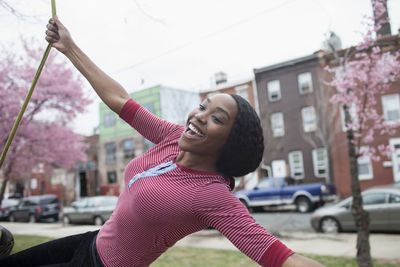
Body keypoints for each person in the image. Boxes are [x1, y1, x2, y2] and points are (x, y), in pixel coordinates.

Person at [0, 17, 324, 267]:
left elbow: (280, 258)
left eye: (217, 118)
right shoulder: (173, 138)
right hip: (91, 241)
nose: (199, 116)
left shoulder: (211, 194)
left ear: (230, 141)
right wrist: (69, 47)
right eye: (203, 106)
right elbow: (120, 100)